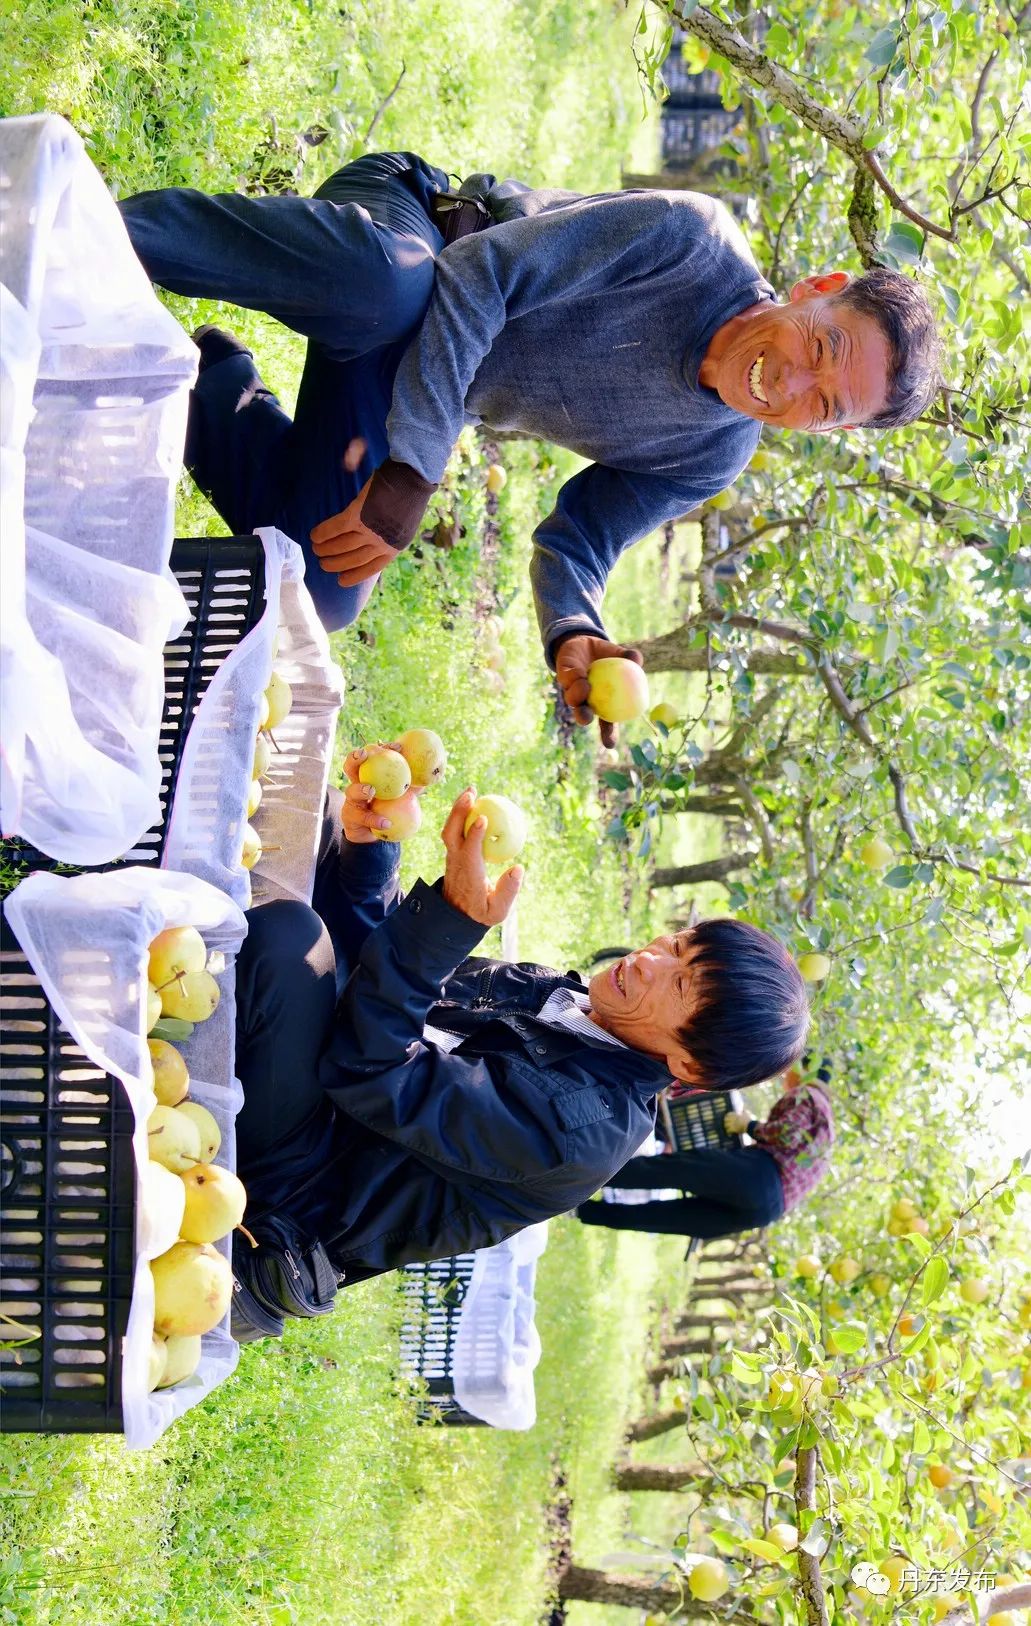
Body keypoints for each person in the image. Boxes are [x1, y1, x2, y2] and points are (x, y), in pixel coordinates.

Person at [118, 152, 942, 742]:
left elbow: (580, 536)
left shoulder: (712, 453)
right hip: (413, 241)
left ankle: (208, 392)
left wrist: (573, 630)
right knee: (383, 291)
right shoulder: (690, 241)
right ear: (820, 291)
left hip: (401, 383)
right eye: (824, 349)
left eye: (824, 406)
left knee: (325, 591)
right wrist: (412, 471)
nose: (793, 384)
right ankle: (103, 235)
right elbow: (475, 278)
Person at [229, 744, 810, 1339]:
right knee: (331, 822)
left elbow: (374, 1070)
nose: (649, 960)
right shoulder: (568, 1001)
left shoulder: (581, 1129)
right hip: (332, 1092)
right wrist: (370, 845)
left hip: (291, 1185)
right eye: (678, 943)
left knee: (289, 946)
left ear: (690, 1062)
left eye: (680, 984)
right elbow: (393, 979)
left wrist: (448, 924)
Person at [575, 1059, 834, 1241]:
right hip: (768, 1211)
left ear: (805, 1069)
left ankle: (577, 1173)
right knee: (670, 1219)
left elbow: (788, 1134)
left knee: (671, 1170)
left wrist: (750, 1125)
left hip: (762, 1177)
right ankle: (581, 1211)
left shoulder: (807, 1095)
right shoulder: (826, 1118)